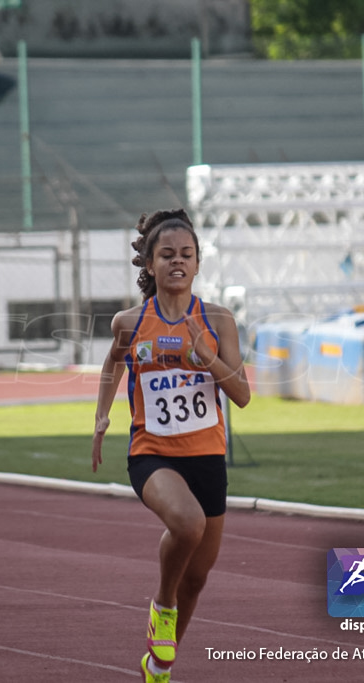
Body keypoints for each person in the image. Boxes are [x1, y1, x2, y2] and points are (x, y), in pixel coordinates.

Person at [92, 209, 250, 683]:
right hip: (152, 454)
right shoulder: (129, 321)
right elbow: (111, 365)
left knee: (198, 577)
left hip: (207, 457)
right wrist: (102, 415)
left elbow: (241, 395)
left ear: (198, 263)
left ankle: (158, 667)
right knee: (187, 522)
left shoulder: (218, 320)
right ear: (149, 264)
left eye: (186, 254)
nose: (177, 262)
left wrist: (209, 360)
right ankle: (163, 603)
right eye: (167, 255)